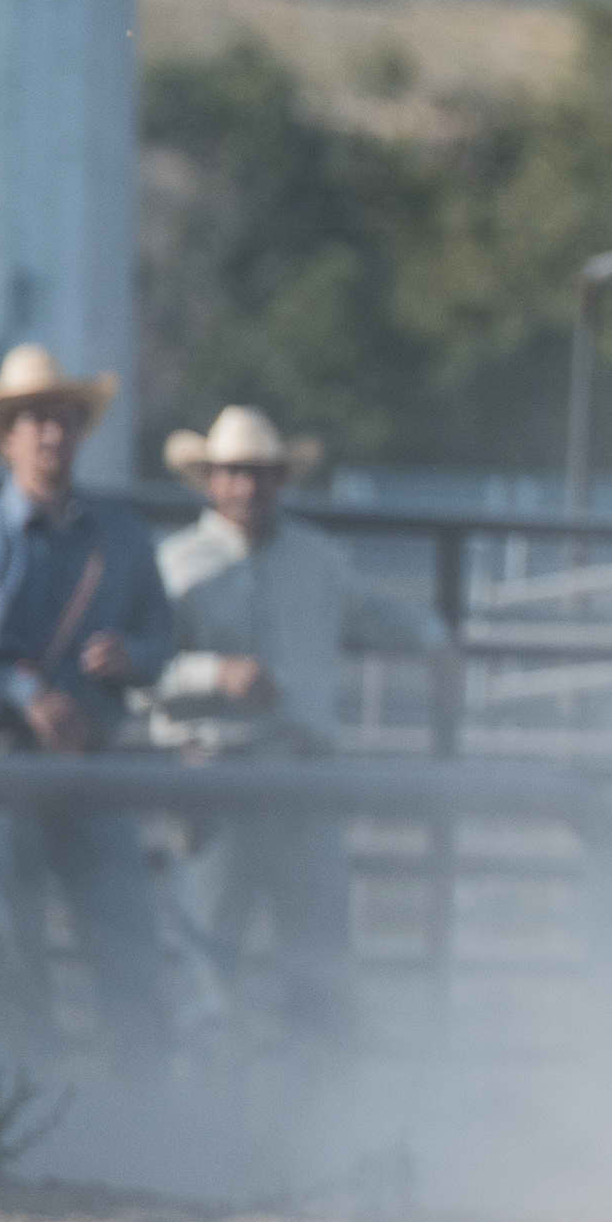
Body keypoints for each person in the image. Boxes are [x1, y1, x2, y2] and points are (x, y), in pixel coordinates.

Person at [0, 346, 178, 1078]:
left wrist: (132, 658)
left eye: (62, 420)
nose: (51, 434)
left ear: (78, 432)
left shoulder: (121, 536)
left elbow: (161, 635)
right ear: (7, 435)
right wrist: (23, 697)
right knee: (11, 954)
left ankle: (143, 1115)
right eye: (34, 420)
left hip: (92, 769)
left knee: (126, 944)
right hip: (3, 771)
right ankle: (22, 1119)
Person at [149, 405, 443, 1053]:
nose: (246, 488)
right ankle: (210, 1121)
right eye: (232, 473)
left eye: (259, 474)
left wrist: (435, 637)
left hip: (303, 776)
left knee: (319, 964)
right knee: (210, 964)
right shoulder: (173, 566)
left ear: (280, 480)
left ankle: (312, 1123)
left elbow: (373, 614)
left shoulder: (318, 562)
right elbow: (140, 675)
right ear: (209, 479)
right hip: (214, 774)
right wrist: (210, 675)